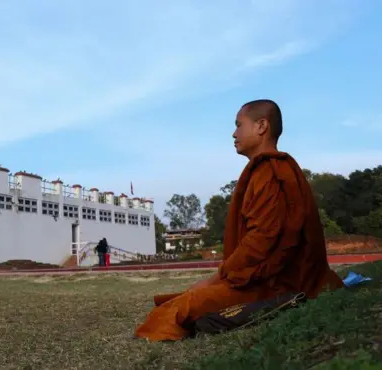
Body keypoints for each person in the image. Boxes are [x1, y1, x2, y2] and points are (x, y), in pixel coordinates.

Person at [133, 99, 345, 342]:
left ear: (261, 126)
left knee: (176, 311)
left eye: (239, 125)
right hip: (264, 278)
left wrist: (216, 278)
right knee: (179, 299)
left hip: (275, 285)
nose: (234, 134)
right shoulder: (267, 169)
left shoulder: (272, 171)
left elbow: (262, 240)